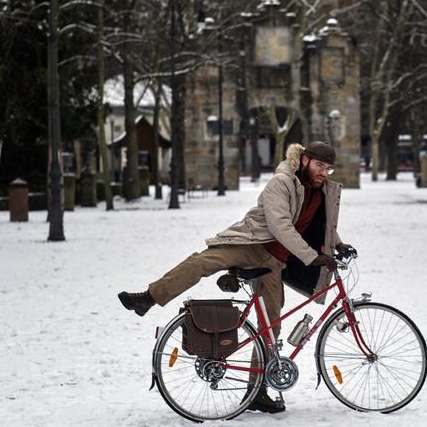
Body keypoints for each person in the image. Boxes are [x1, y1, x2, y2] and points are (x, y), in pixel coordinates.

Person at [118, 141, 355, 414]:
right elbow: (281, 227)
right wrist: (311, 256)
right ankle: (149, 298)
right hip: (250, 243)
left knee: (271, 327)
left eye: (328, 167)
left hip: (275, 262)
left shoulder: (320, 190)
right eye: (319, 165)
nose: (324, 172)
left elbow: (322, 226)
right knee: (201, 262)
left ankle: (257, 391)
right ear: (305, 161)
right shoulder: (282, 183)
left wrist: (338, 244)